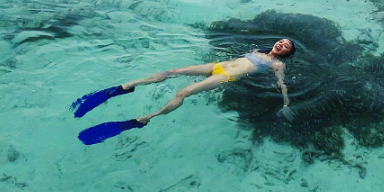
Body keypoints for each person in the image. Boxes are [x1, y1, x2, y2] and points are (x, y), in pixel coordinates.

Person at [73, 38, 297, 145]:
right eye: (282, 41)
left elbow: (282, 84)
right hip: (217, 65)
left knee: (182, 93)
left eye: (286, 46)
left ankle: (145, 119)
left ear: (286, 54)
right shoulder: (258, 50)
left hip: (225, 76)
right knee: (172, 71)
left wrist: (286, 104)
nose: (282, 44)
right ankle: (127, 86)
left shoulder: (277, 65)